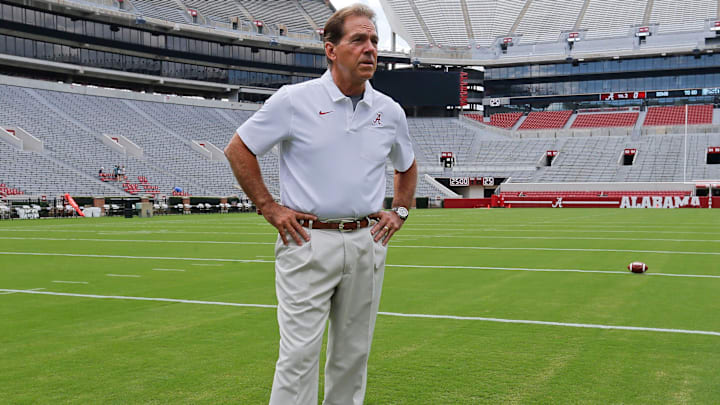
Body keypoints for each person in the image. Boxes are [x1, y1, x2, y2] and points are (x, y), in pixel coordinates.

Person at [224, 4, 417, 404]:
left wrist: (399, 211)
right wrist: (269, 207)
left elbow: (407, 165)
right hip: (308, 241)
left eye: (375, 41)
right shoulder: (294, 100)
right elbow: (239, 148)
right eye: (359, 40)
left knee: (353, 355)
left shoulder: (390, 111)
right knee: (298, 356)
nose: (371, 49)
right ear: (331, 49)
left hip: (366, 241)